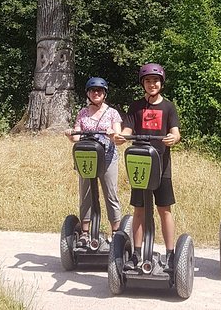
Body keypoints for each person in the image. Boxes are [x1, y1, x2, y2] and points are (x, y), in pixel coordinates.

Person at [113, 63, 181, 271]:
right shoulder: (136, 106)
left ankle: (170, 254)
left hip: (162, 163)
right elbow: (127, 129)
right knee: (140, 209)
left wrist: (173, 138)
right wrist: (120, 137)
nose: (152, 84)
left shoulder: (168, 107)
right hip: (140, 162)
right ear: (143, 83)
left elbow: (175, 132)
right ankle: (136, 253)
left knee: (164, 209)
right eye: (148, 81)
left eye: (156, 80)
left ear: (161, 83)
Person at [66, 77, 123, 247]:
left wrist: (112, 133)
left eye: (99, 90)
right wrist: (71, 134)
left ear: (104, 93)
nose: (96, 93)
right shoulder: (83, 113)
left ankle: (116, 232)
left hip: (107, 159)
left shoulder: (112, 113)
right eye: (93, 90)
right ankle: (85, 232)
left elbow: (118, 136)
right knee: (86, 194)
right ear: (88, 94)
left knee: (110, 194)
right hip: (87, 158)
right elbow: (76, 136)